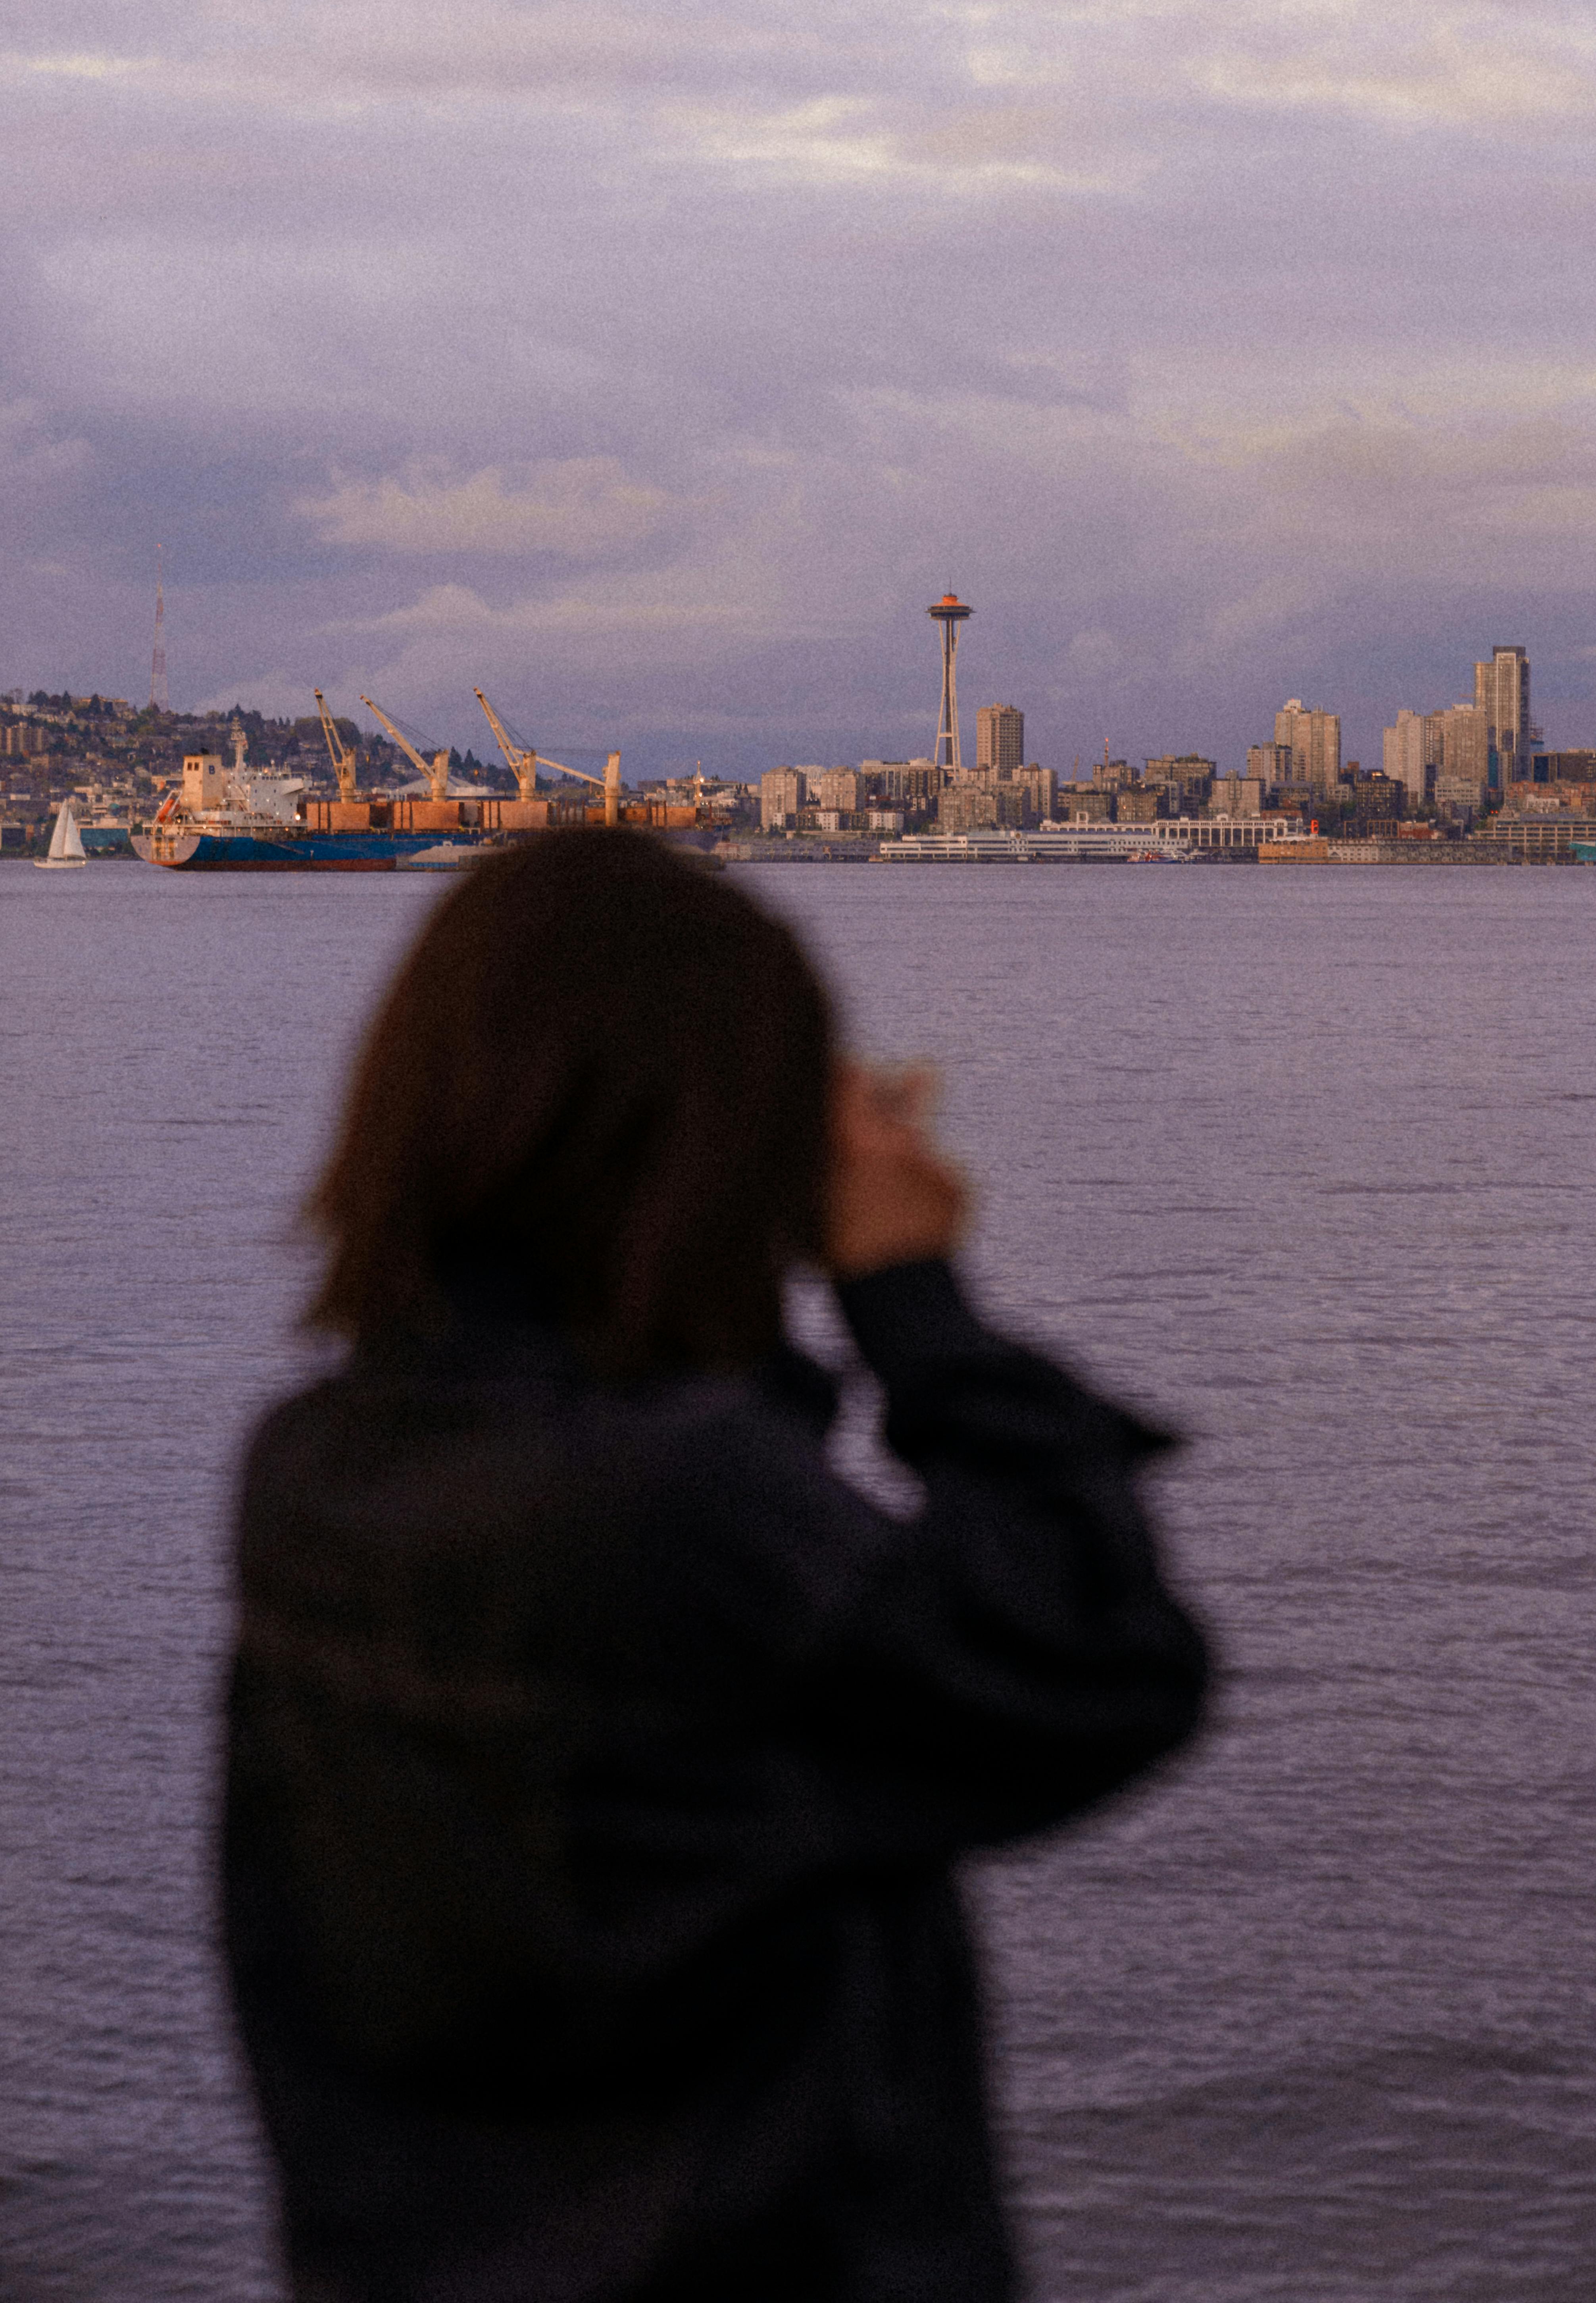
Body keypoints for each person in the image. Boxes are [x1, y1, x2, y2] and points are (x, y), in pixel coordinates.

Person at [221, 828, 1208, 2303]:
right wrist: (913, 1303)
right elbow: (1100, 1668)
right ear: (722, 1132)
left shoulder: (316, 1467)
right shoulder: (681, 1503)